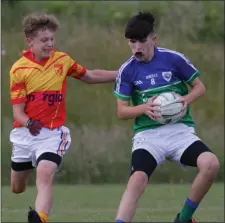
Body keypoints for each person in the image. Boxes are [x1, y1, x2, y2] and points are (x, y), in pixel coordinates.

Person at [9, 13, 117, 223]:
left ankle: (39, 218)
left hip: (52, 133)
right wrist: (30, 123)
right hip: (25, 132)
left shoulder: (62, 60)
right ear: (29, 41)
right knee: (17, 188)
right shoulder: (19, 69)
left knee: (45, 172)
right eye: (44, 40)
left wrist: (122, 73)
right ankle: (30, 161)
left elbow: (89, 75)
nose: (50, 44)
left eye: (51, 39)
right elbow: (18, 113)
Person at [113, 11, 219, 223]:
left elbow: (200, 87)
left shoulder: (174, 59)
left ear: (153, 39)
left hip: (180, 131)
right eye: (132, 42)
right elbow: (122, 111)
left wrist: (186, 99)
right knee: (137, 180)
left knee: (211, 164)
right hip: (148, 135)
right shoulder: (127, 70)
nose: (137, 48)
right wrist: (145, 108)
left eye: (142, 41)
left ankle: (184, 219)